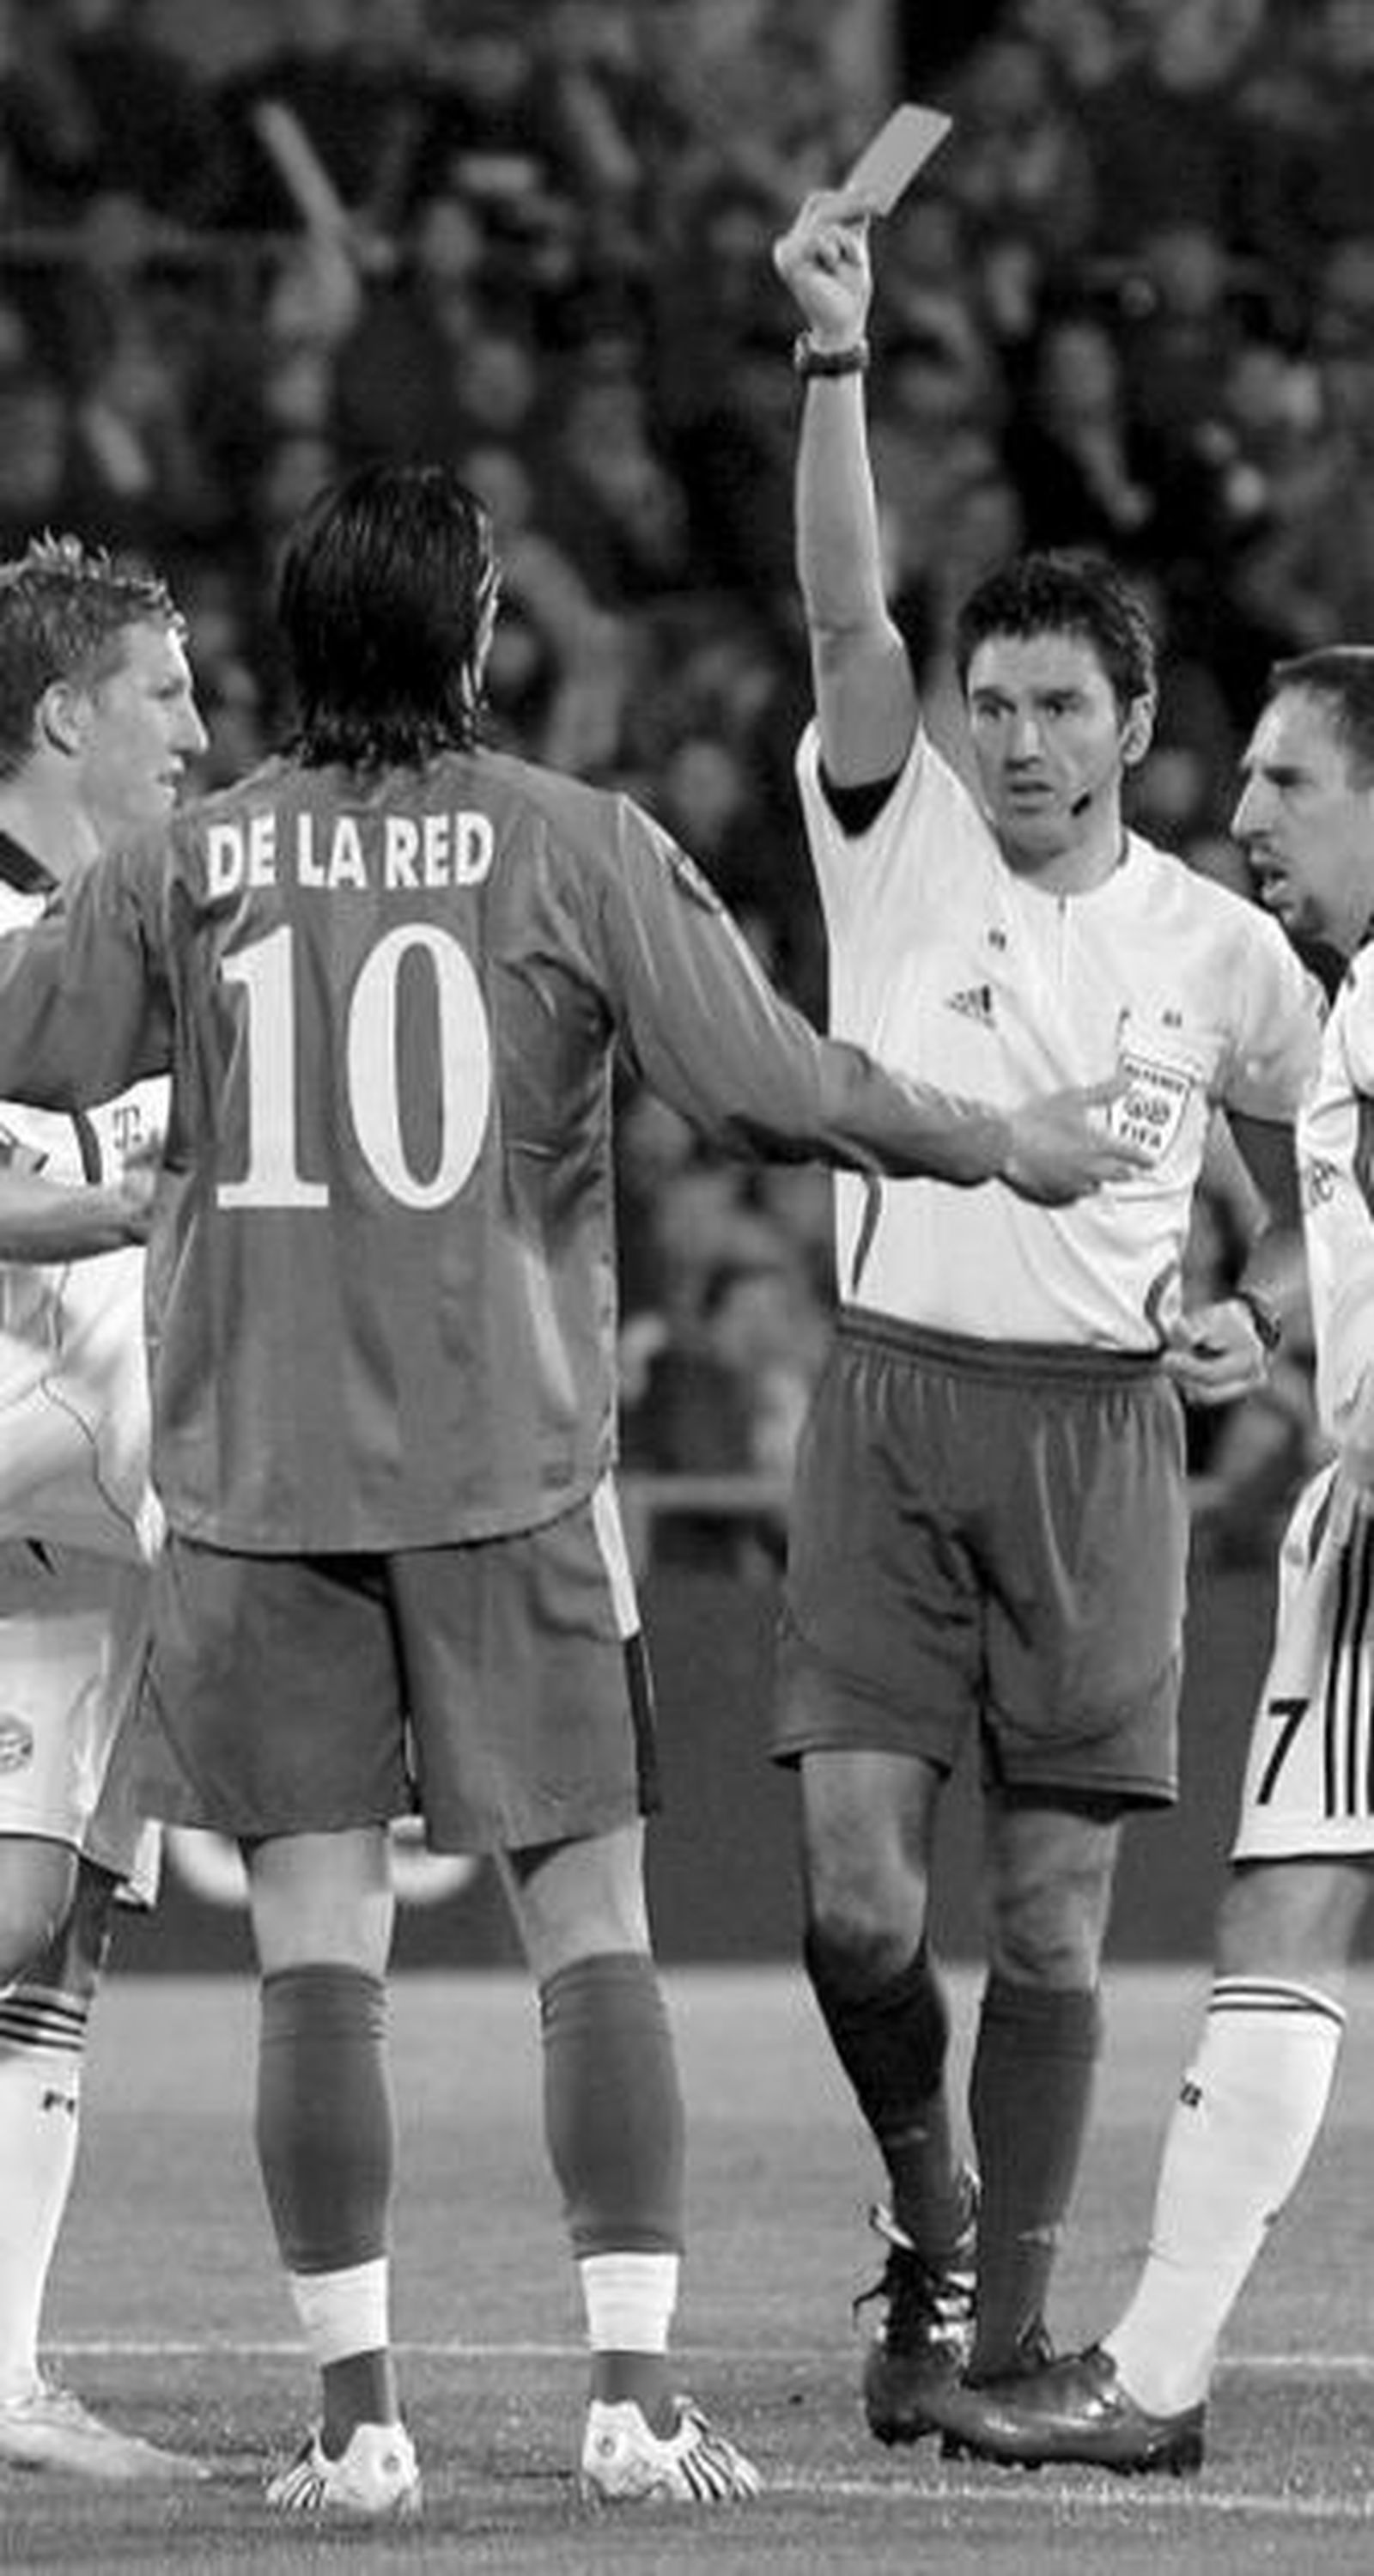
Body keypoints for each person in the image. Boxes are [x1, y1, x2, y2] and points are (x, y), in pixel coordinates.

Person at [0, 461, 1146, 2524]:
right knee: (589, 1934)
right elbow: (773, 1086)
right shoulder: (570, 841)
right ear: (467, 634)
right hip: (507, 1471)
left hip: (255, 1486)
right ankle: (628, 2402)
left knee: (314, 1957)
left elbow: (19, 1038)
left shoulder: (194, 864)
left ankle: (356, 2430)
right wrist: (999, 1142)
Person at [768, 180, 1328, 2451]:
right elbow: (839, 603)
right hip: (892, 1413)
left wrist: (1259, 1313)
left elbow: (1315, 1170)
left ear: (1130, 722)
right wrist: (833, 357)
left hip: (1101, 1440)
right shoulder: (889, 835)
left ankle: (996, 2339)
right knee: (850, 1909)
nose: (1009, 741)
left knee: (1058, 1923)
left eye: (1053, 708)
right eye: (987, 701)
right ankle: (932, 2205)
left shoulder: (1218, 948)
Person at [927, 647, 1374, 2476]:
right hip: (1353, 1510)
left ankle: (1156, 2374)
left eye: (1290, 781)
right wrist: (1269, 1326)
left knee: (1289, 1904)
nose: (1246, 811)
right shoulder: (1350, 1009)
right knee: (1286, 1900)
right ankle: (1153, 2372)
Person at [0, 533, 207, 2478]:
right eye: (164, 693)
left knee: (47, 1923)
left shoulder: (163, 941)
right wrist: (127, 1205)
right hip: (32, 1471)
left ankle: (3, 2377)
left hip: (91, 1515)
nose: (196, 734)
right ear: (64, 714)